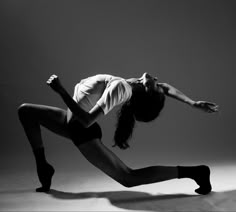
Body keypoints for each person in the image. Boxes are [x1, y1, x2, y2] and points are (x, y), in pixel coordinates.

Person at [17, 72, 219, 194]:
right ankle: (43, 165)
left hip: (82, 130)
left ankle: (195, 172)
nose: (158, 80)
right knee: (25, 111)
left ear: (147, 94)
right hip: (71, 122)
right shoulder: (133, 84)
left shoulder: (121, 88)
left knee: (128, 178)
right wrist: (192, 103)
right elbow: (165, 89)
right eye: (157, 84)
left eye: (154, 85)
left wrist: (61, 91)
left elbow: (87, 121)